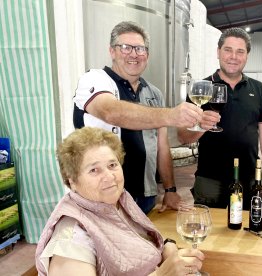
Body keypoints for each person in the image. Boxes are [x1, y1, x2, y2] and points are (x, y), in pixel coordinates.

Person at [35, 127, 204, 276]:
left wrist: (168, 247)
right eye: (94, 170)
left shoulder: (119, 200)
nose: (109, 177)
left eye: (112, 165)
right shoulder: (71, 238)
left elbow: (139, 240)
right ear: (72, 180)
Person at [73, 21, 202, 214]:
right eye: (125, 47)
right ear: (112, 51)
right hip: (104, 195)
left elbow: (162, 146)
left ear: (147, 56)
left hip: (145, 195)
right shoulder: (94, 80)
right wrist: (171, 114)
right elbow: (112, 112)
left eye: (140, 49)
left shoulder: (154, 93)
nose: (133, 54)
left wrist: (170, 189)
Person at [177, 28, 262, 210]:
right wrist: (200, 126)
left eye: (240, 51)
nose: (234, 56)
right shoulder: (201, 88)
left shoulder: (258, 89)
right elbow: (183, 137)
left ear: (247, 55)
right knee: (208, 231)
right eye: (228, 50)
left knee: (248, 232)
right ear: (218, 52)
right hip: (209, 179)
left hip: (249, 178)